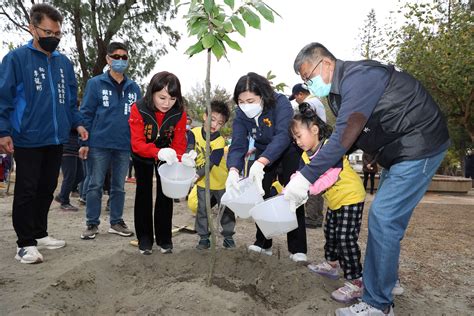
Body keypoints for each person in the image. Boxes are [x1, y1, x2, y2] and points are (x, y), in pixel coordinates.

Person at [284, 43, 450, 315]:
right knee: (388, 221)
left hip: (420, 143)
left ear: (326, 64)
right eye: (304, 81)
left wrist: (306, 176)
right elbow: (349, 140)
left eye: (308, 76)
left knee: (383, 217)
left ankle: (378, 304)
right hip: (399, 151)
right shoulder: (339, 93)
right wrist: (310, 176)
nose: (308, 85)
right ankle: (386, 280)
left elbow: (344, 135)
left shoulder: (359, 78)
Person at [0, 4, 88, 264]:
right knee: (26, 189)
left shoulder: (64, 63)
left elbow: (71, 100)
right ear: (32, 27)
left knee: (47, 187)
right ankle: (24, 243)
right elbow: (3, 97)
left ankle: (39, 234)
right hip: (27, 136)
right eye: (48, 31)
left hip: (56, 136)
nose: (54, 37)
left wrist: (78, 123)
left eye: (58, 33)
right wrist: (3, 131)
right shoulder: (16, 59)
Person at [226, 72, 308, 262]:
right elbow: (238, 143)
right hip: (262, 152)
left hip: (288, 151)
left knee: (293, 196)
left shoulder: (280, 103)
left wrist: (262, 162)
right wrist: (233, 170)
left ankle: (297, 248)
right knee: (260, 194)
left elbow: (283, 135)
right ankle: (263, 242)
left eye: (250, 100)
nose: (246, 105)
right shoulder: (241, 114)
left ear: (262, 95)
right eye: (241, 101)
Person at [290, 103, 366, 303]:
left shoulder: (330, 147)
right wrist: (289, 187)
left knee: (345, 238)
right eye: (294, 138)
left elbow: (332, 175)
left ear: (314, 130)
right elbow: (299, 175)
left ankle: (356, 281)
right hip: (334, 201)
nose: (297, 142)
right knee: (330, 233)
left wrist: (309, 189)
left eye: (299, 136)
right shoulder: (306, 155)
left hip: (350, 196)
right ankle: (332, 265)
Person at [79, 41, 141, 240]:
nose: (121, 60)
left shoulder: (134, 88)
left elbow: (138, 119)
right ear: (108, 59)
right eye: (117, 56)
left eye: (124, 57)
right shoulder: (95, 84)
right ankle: (92, 223)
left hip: (123, 145)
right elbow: (86, 113)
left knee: (119, 187)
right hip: (99, 143)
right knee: (95, 185)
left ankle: (116, 222)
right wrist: (84, 143)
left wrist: (136, 144)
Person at [129, 71, 192, 255]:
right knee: (143, 193)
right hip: (143, 155)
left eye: (172, 98)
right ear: (152, 93)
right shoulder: (138, 108)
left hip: (168, 155)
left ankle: (165, 239)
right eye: (162, 97)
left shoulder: (179, 112)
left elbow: (180, 141)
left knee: (166, 194)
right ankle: (145, 239)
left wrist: (181, 158)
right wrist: (157, 152)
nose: (167, 103)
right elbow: (137, 143)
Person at [188, 100, 235, 250]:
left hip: (220, 182)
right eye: (212, 119)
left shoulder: (219, 141)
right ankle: (203, 237)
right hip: (203, 183)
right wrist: (188, 155)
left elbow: (211, 162)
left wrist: (196, 175)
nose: (214, 125)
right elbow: (189, 146)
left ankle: (228, 236)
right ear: (205, 116)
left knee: (226, 209)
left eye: (220, 123)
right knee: (203, 209)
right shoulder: (194, 132)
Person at [289, 83, 326, 229]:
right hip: (320, 142)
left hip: (314, 145)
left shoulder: (307, 104)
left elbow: (302, 124)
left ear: (300, 94)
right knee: (318, 180)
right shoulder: (318, 102)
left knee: (310, 179)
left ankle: (311, 217)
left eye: (296, 98)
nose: (296, 101)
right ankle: (317, 217)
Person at [54, 127, 84, 211]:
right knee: (69, 177)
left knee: (81, 175)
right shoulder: (67, 116)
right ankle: (64, 202)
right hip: (67, 148)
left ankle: (62, 195)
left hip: (75, 148)